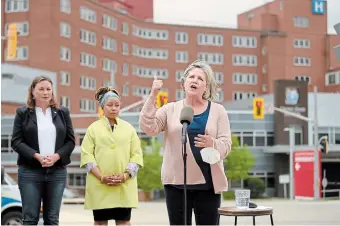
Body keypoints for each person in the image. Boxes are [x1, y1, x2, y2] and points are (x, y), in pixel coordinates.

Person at [139, 60, 232, 225]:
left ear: (207, 87)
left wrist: (213, 143)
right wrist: (153, 95)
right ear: (183, 83)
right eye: (191, 77)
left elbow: (226, 145)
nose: (194, 80)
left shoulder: (219, 111)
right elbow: (148, 128)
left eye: (200, 78)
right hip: (176, 184)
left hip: (208, 185)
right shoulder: (170, 109)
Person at [11, 75, 75, 225]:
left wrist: (56, 156)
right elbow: (16, 141)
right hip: (29, 172)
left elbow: (70, 141)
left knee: (52, 219)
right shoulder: (22, 113)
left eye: (48, 89)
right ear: (33, 91)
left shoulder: (62, 113)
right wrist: (37, 156)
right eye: (41, 89)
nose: (45, 92)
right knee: (30, 218)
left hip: (57, 172)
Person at [80, 87, 144, 226]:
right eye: (110, 105)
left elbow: (136, 155)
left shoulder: (129, 128)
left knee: (124, 221)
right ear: (102, 106)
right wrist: (101, 177)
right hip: (99, 186)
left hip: (124, 186)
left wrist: (125, 176)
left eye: (117, 105)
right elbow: (87, 155)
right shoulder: (93, 129)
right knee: (100, 222)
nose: (114, 108)